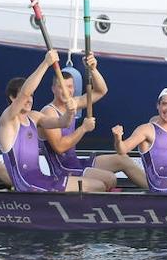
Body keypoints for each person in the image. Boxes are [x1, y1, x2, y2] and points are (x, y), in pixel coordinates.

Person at [0, 50, 110, 192]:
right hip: (26, 184)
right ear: (14, 99)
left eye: (32, 96)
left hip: (42, 179)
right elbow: (25, 92)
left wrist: (70, 113)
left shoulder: (35, 117)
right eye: (25, 97)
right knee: (97, 186)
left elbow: (63, 123)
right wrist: (46, 63)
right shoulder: (8, 119)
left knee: (99, 185)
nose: (29, 99)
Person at [38, 55, 146, 189]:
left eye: (70, 87)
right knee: (110, 179)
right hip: (63, 169)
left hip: (76, 162)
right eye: (62, 87)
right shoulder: (49, 112)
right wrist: (83, 128)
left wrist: (93, 69)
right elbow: (59, 147)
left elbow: (101, 91)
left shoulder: (74, 103)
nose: (67, 91)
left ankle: (159, 193)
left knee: (123, 160)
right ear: (53, 89)